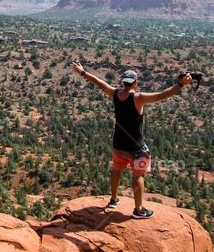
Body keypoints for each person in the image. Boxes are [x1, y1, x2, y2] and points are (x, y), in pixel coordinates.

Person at [71, 62, 192, 219]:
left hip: (118, 145)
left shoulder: (114, 93)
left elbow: (99, 82)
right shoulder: (138, 98)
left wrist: (82, 72)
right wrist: (180, 84)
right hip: (136, 148)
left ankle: (114, 199)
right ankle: (138, 210)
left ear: (123, 82)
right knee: (138, 176)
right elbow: (163, 94)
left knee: (116, 170)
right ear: (135, 82)